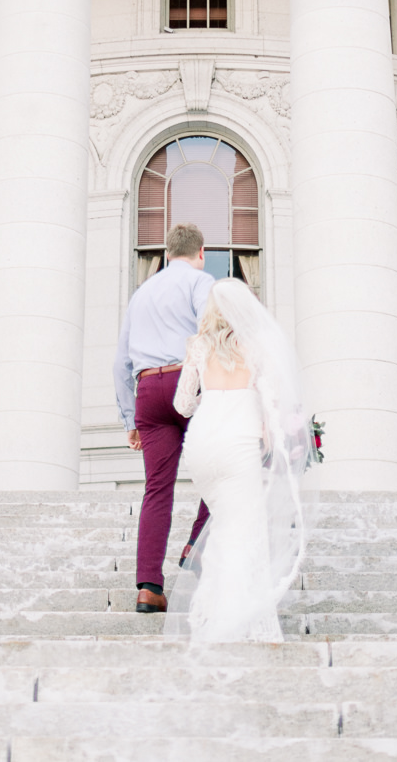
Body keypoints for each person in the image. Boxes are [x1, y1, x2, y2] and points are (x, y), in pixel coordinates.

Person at [166, 277, 309, 643]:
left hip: (201, 446)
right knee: (243, 531)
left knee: (225, 527)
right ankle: (236, 620)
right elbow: (270, 400)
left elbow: (181, 405)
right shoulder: (258, 347)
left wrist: (208, 402)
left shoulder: (198, 346)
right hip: (238, 444)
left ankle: (214, 614)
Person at [113, 221, 214, 614]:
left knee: (157, 488)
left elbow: (120, 362)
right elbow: (211, 333)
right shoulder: (199, 282)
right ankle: (196, 544)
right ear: (200, 253)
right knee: (220, 465)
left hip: (147, 392)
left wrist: (129, 420)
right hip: (187, 383)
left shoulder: (140, 294)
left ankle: (149, 587)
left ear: (166, 254)